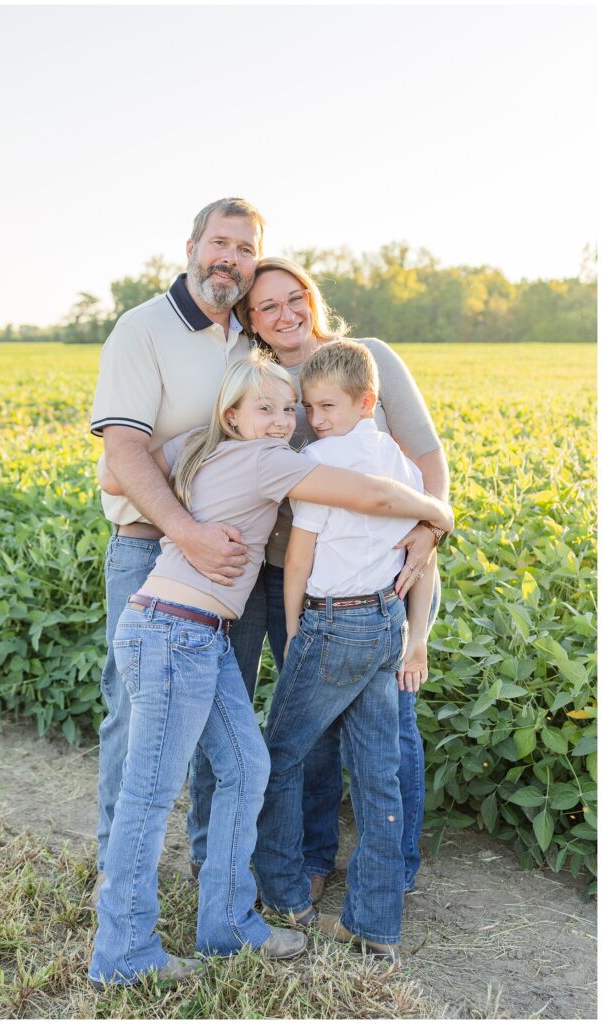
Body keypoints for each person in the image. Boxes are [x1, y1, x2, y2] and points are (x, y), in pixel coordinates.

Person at [88, 352, 453, 986]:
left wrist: (197, 459)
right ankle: (121, 949)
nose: (284, 421)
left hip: (196, 637)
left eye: (290, 409)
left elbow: (114, 474)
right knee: (149, 796)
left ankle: (228, 927)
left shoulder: (200, 449)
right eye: (267, 408)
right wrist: (438, 514)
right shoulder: (266, 459)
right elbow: (367, 494)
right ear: (232, 414)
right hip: (173, 635)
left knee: (249, 766)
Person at [189, 257, 448, 899]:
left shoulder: (368, 358)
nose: (285, 314)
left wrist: (429, 527)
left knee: (393, 726)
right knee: (312, 725)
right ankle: (307, 855)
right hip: (289, 574)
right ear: (251, 321)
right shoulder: (261, 378)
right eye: (266, 307)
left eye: (293, 297)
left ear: (312, 296)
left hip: (388, 571)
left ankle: (395, 869)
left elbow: (427, 455)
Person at [89, 198, 270, 908]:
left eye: (245, 248)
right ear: (192, 245)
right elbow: (123, 451)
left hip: (234, 563)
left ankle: (208, 870)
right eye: (219, 242)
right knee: (133, 715)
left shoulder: (250, 342)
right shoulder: (143, 328)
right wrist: (185, 531)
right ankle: (117, 878)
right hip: (149, 551)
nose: (230, 257)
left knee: (223, 719)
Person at [253, 340, 437, 968]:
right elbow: (422, 551)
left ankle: (284, 897)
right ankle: (376, 924)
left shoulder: (317, 462)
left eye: (327, 405)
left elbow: (298, 557)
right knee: (378, 773)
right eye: (309, 407)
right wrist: (417, 636)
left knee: (279, 755)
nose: (316, 417)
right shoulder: (398, 461)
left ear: (367, 401)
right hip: (385, 621)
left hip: (333, 625)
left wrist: (296, 626)